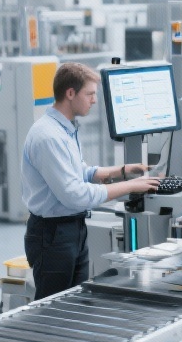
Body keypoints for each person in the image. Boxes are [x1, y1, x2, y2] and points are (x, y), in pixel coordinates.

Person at [22, 62, 159, 299]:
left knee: (75, 302)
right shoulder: (48, 136)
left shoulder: (65, 129)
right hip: (53, 235)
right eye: (90, 94)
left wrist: (121, 170)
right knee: (53, 311)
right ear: (70, 93)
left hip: (72, 229)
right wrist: (130, 186)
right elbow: (75, 195)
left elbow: (78, 172)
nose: (94, 100)